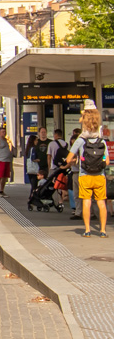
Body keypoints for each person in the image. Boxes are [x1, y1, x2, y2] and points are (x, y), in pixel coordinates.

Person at [67, 101, 108, 238]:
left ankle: (87, 230)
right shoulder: (102, 141)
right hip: (99, 175)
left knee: (86, 201)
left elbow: (68, 159)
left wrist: (78, 160)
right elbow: (106, 161)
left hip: (84, 175)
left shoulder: (81, 140)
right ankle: (102, 231)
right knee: (101, 202)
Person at [26, 127, 51, 200]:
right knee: (36, 184)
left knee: (42, 183)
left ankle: (37, 196)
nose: (43, 134)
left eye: (44, 132)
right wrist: (38, 160)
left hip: (43, 166)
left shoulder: (49, 142)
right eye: (42, 132)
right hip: (36, 169)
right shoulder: (33, 147)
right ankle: (33, 197)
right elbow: (33, 158)